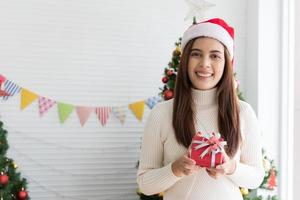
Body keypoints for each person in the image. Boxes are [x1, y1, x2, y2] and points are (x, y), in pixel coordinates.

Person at [137, 18, 264, 200]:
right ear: (185, 60)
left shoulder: (243, 112)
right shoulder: (162, 113)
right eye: (196, 54)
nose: (205, 63)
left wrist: (230, 167)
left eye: (215, 56)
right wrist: (175, 169)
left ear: (226, 63)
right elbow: (145, 184)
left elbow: (256, 178)